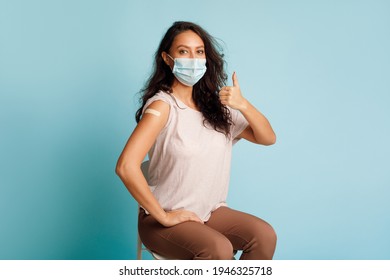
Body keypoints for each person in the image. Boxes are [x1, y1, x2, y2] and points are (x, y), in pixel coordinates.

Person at [116, 21, 277, 260]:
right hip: (164, 219)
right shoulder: (163, 106)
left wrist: (243, 104)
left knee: (264, 235)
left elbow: (267, 138)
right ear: (167, 59)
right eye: (183, 51)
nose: (193, 59)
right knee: (218, 249)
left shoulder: (216, 109)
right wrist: (163, 215)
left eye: (199, 52)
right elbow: (125, 166)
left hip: (209, 212)